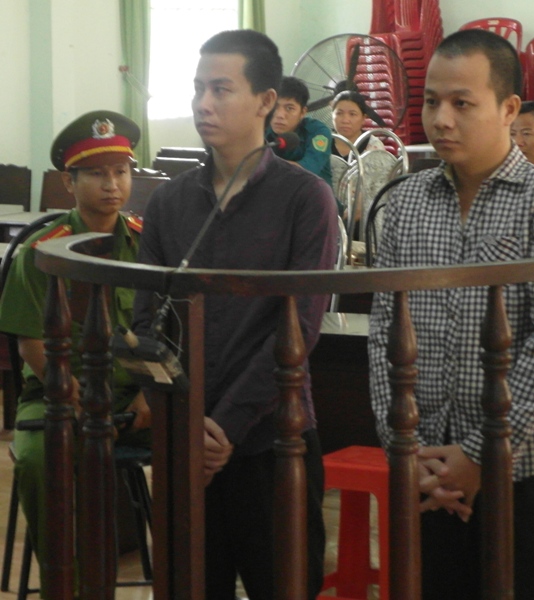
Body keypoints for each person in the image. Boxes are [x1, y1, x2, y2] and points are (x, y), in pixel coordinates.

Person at [368, 29, 534, 600]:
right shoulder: (405, 203)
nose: (441, 119)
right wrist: (404, 447)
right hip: (425, 465)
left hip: (521, 469)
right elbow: (383, 335)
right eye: (431, 102)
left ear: (509, 109)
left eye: (462, 103)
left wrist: (479, 454)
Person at [132, 30, 338, 600]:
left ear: (266, 100)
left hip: (273, 438)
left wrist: (223, 426)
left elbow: (300, 327)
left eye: (221, 89)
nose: (203, 104)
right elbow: (147, 319)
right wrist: (186, 416)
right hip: (185, 440)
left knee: (284, 584)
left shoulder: (305, 198)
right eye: (198, 88)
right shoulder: (169, 201)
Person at [0, 110, 151, 596]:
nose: (112, 184)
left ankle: (184, 573)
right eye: (96, 174)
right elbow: (31, 342)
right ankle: (69, 585)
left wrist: (150, 394)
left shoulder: (147, 245)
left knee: (200, 446)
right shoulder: (43, 251)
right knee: (38, 459)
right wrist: (72, 394)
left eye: (121, 171)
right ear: (69, 182)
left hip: (135, 398)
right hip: (58, 394)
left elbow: (164, 329)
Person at [266, 75, 333, 186]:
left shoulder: (318, 132)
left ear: (303, 112)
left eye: (289, 108)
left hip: (314, 193)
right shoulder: (262, 128)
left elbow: (305, 172)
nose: (280, 115)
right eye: (274, 107)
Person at [331, 90, 385, 160]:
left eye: (352, 114)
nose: (345, 120)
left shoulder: (374, 146)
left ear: (363, 118)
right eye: (339, 113)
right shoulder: (323, 142)